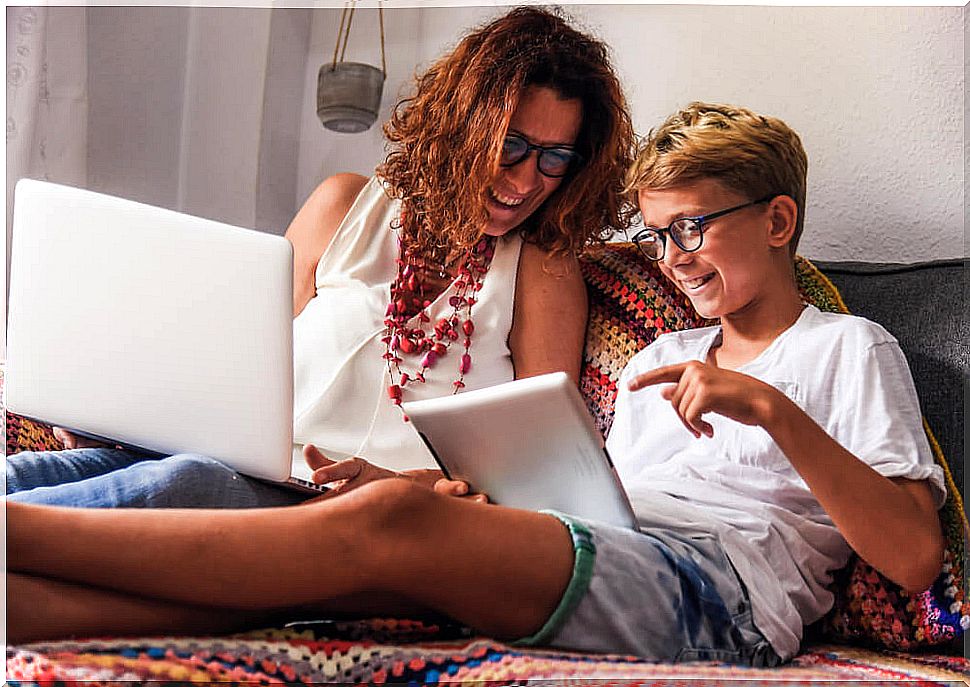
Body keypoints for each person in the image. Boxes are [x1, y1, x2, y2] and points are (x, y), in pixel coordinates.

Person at [6, 102, 945, 666]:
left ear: (778, 219)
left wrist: (770, 409)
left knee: (385, 534)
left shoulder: (847, 348)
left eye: (693, 227)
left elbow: (909, 554)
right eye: (659, 235)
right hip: (603, 544)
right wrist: (423, 484)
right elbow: (580, 499)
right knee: (338, 556)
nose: (674, 258)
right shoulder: (664, 354)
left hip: (719, 597)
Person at [5, 6, 635, 508]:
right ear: (462, 129)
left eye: (556, 158)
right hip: (246, 463)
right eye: (512, 147)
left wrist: (406, 485)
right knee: (29, 475)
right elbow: (229, 368)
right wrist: (126, 422)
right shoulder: (344, 205)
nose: (527, 181)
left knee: (183, 487)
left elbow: (544, 474)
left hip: (349, 508)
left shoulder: (542, 268)